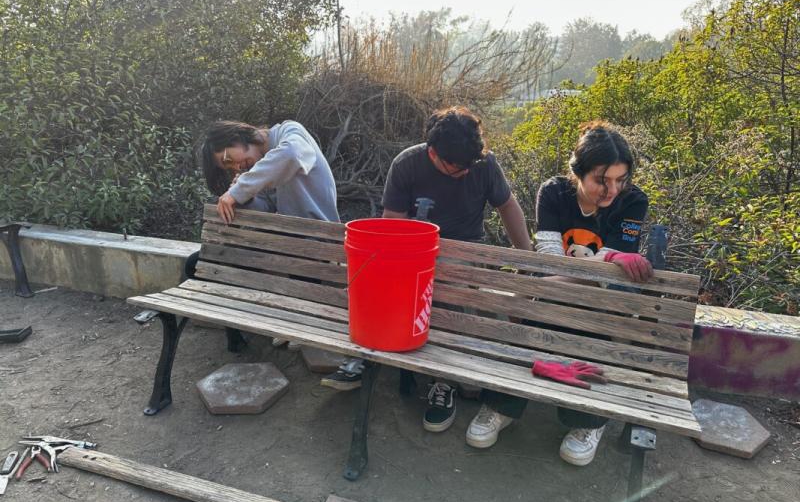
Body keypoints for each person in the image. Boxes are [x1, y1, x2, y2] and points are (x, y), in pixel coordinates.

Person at [321, 106, 533, 440]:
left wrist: (527, 258)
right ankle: (372, 360)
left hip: (464, 251)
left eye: (469, 166)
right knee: (379, 281)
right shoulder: (407, 164)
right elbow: (391, 228)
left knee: (451, 280)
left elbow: (507, 206)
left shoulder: (483, 165)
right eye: (455, 167)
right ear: (433, 153)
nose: (464, 172)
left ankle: (445, 379)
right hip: (414, 253)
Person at [533, 120, 653, 466]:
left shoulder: (633, 202)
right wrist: (557, 282)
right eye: (602, 179)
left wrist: (544, 287)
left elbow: (608, 274)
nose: (611, 190)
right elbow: (550, 259)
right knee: (529, 321)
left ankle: (590, 422)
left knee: (597, 328)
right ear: (579, 172)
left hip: (604, 306)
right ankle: (501, 405)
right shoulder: (554, 193)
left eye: (620, 179)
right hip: (556, 297)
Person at [201, 120, 339, 224]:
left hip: (319, 239)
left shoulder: (289, 130)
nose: (236, 167)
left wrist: (239, 189)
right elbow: (266, 208)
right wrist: (247, 199)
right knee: (195, 260)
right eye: (229, 168)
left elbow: (291, 154)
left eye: (228, 160)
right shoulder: (259, 170)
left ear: (234, 137)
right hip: (289, 241)